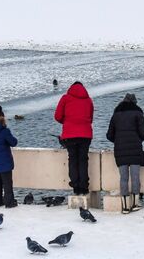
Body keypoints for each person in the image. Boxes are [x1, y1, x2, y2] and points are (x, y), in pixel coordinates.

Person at [54, 81, 94, 209]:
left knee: (73, 159)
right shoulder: (88, 100)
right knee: (83, 160)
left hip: (70, 135)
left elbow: (57, 116)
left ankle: (76, 187)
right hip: (85, 135)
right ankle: (84, 187)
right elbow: (90, 117)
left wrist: (67, 122)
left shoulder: (65, 98)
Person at [106, 93, 144, 214]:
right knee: (135, 177)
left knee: (123, 178)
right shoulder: (138, 113)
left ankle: (124, 207)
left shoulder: (116, 114)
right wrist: (136, 140)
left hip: (120, 150)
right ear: (135, 102)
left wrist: (118, 141)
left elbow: (109, 135)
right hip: (135, 150)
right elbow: (143, 134)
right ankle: (135, 204)